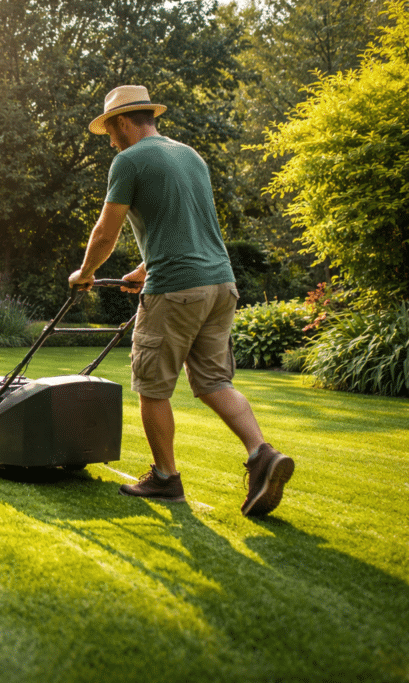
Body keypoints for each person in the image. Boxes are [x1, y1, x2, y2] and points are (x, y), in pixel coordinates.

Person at [68, 85, 294, 516]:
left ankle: (166, 479)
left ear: (122, 122)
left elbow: (105, 232)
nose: (110, 142)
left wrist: (86, 274)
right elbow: (186, 227)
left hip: (176, 288)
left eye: (110, 132)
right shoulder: (190, 155)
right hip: (220, 285)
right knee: (213, 382)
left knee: (152, 385)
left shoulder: (128, 160)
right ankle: (261, 453)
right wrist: (144, 269)